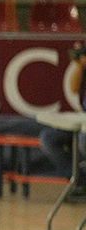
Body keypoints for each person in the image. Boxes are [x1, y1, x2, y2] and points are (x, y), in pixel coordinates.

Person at [39, 40, 86, 198]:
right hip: (83, 121)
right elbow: (73, 88)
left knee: (82, 141)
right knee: (48, 138)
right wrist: (80, 65)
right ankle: (78, 180)